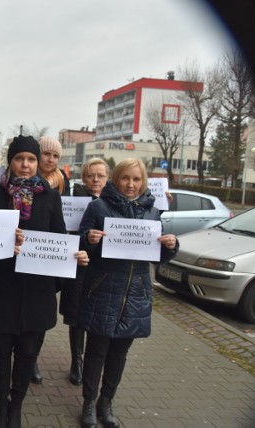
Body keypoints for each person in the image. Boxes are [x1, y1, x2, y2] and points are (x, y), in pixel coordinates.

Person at [0, 136, 89, 428]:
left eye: (30, 159)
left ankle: (17, 405)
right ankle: (2, 405)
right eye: (19, 159)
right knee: (0, 351)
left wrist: (73, 255)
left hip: (36, 291)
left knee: (27, 353)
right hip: (0, 287)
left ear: (37, 163)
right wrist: (2, 242)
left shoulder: (50, 197)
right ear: (10, 162)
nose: (25, 165)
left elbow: (59, 235)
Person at [77, 158, 178, 428]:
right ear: (116, 179)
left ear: (143, 182)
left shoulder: (153, 213)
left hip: (136, 293)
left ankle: (106, 402)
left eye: (136, 179)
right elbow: (81, 246)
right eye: (125, 178)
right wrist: (89, 240)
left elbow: (158, 259)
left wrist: (170, 246)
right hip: (103, 289)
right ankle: (88, 402)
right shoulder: (98, 207)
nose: (131, 184)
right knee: (96, 351)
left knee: (119, 354)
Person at [60, 158, 110, 387]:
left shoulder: (114, 202)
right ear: (84, 178)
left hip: (103, 269)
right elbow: (63, 232)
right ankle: (76, 361)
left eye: (100, 175)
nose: (96, 180)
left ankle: (91, 359)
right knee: (76, 316)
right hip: (79, 265)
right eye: (91, 175)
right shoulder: (72, 200)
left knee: (96, 316)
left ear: (108, 178)